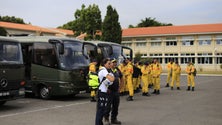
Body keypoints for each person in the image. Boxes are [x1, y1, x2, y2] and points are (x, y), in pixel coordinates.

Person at [95, 58, 115, 125]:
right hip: (102, 92)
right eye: (108, 63)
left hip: (104, 91)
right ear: (104, 64)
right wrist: (112, 77)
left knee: (102, 110)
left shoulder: (105, 70)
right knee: (101, 110)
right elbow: (111, 79)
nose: (110, 65)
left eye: (110, 63)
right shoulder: (103, 70)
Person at [104, 58, 122, 125]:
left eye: (115, 62)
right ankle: (106, 119)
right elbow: (103, 80)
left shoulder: (117, 70)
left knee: (115, 106)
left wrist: (120, 87)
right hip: (109, 92)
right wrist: (106, 88)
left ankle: (114, 119)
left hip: (116, 91)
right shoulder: (107, 70)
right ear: (110, 63)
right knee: (108, 107)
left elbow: (121, 77)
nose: (114, 63)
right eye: (113, 62)